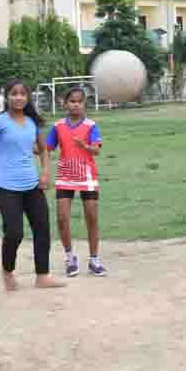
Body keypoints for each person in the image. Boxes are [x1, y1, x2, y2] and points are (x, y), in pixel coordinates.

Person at [0, 80, 63, 291]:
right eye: (14, 94)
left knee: (42, 230)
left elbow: (43, 149)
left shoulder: (32, 123)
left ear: (27, 97)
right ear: (7, 97)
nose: (18, 97)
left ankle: (42, 276)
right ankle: (7, 271)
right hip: (7, 187)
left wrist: (46, 172)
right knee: (14, 233)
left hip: (32, 186)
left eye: (22, 94)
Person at [45, 86, 106, 277]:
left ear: (84, 103)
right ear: (65, 103)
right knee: (62, 218)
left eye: (80, 101)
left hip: (87, 176)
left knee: (92, 218)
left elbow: (96, 150)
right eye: (72, 101)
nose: (76, 105)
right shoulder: (58, 126)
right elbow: (47, 147)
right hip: (65, 176)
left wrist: (85, 146)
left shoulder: (91, 125)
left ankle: (94, 259)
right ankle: (70, 258)